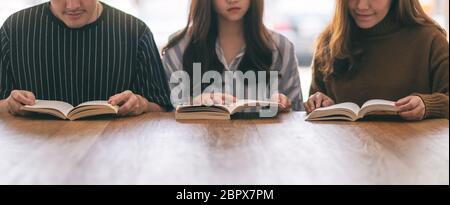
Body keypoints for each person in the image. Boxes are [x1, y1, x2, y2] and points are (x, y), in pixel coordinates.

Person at [0, 0, 172, 117]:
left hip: (116, 155)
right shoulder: (13, 31)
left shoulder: (136, 33)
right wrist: (8, 104)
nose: (73, 5)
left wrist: (141, 104)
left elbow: (163, 108)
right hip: (32, 154)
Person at [305, 0, 449, 121]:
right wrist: (318, 102)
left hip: (412, 151)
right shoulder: (329, 41)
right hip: (345, 151)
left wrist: (428, 105)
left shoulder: (430, 39)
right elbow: (313, 113)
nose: (361, 5)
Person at [162, 0, 303, 112]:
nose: (232, 0)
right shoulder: (178, 49)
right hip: (197, 144)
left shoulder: (280, 48)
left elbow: (297, 112)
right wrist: (192, 105)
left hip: (262, 144)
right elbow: (165, 113)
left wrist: (284, 105)